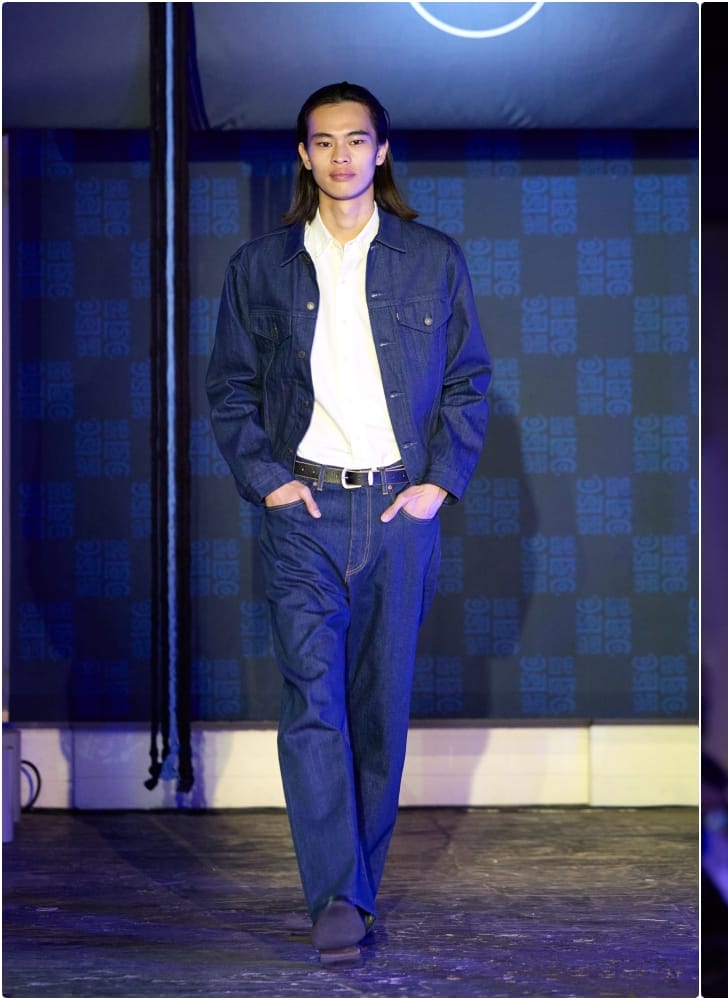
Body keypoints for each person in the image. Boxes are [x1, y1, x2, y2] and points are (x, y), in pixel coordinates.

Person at [206, 81, 491, 963]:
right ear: (303, 155)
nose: (341, 156)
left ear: (381, 151)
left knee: (378, 711)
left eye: (356, 140)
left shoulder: (431, 259)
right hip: (304, 511)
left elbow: (469, 380)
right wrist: (268, 484)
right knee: (312, 704)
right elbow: (229, 388)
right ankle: (336, 896)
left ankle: (355, 889)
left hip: (398, 510)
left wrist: (437, 488)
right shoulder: (261, 266)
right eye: (323, 142)